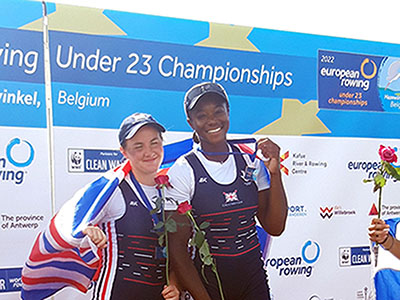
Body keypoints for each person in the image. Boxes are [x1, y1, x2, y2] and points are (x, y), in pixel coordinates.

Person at [21, 113, 180, 300]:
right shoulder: (110, 191)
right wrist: (88, 233)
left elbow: (180, 250)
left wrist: (175, 284)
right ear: (124, 152)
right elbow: (73, 225)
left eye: (154, 142)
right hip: (116, 293)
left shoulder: (173, 188)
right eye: (138, 146)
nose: (149, 151)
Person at [166, 82, 288, 300]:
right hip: (207, 286)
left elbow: (275, 226)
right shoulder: (183, 171)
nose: (212, 120)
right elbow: (178, 251)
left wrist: (276, 174)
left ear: (228, 113)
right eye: (201, 115)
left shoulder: (250, 162)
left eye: (218, 111)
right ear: (190, 122)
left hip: (253, 281)